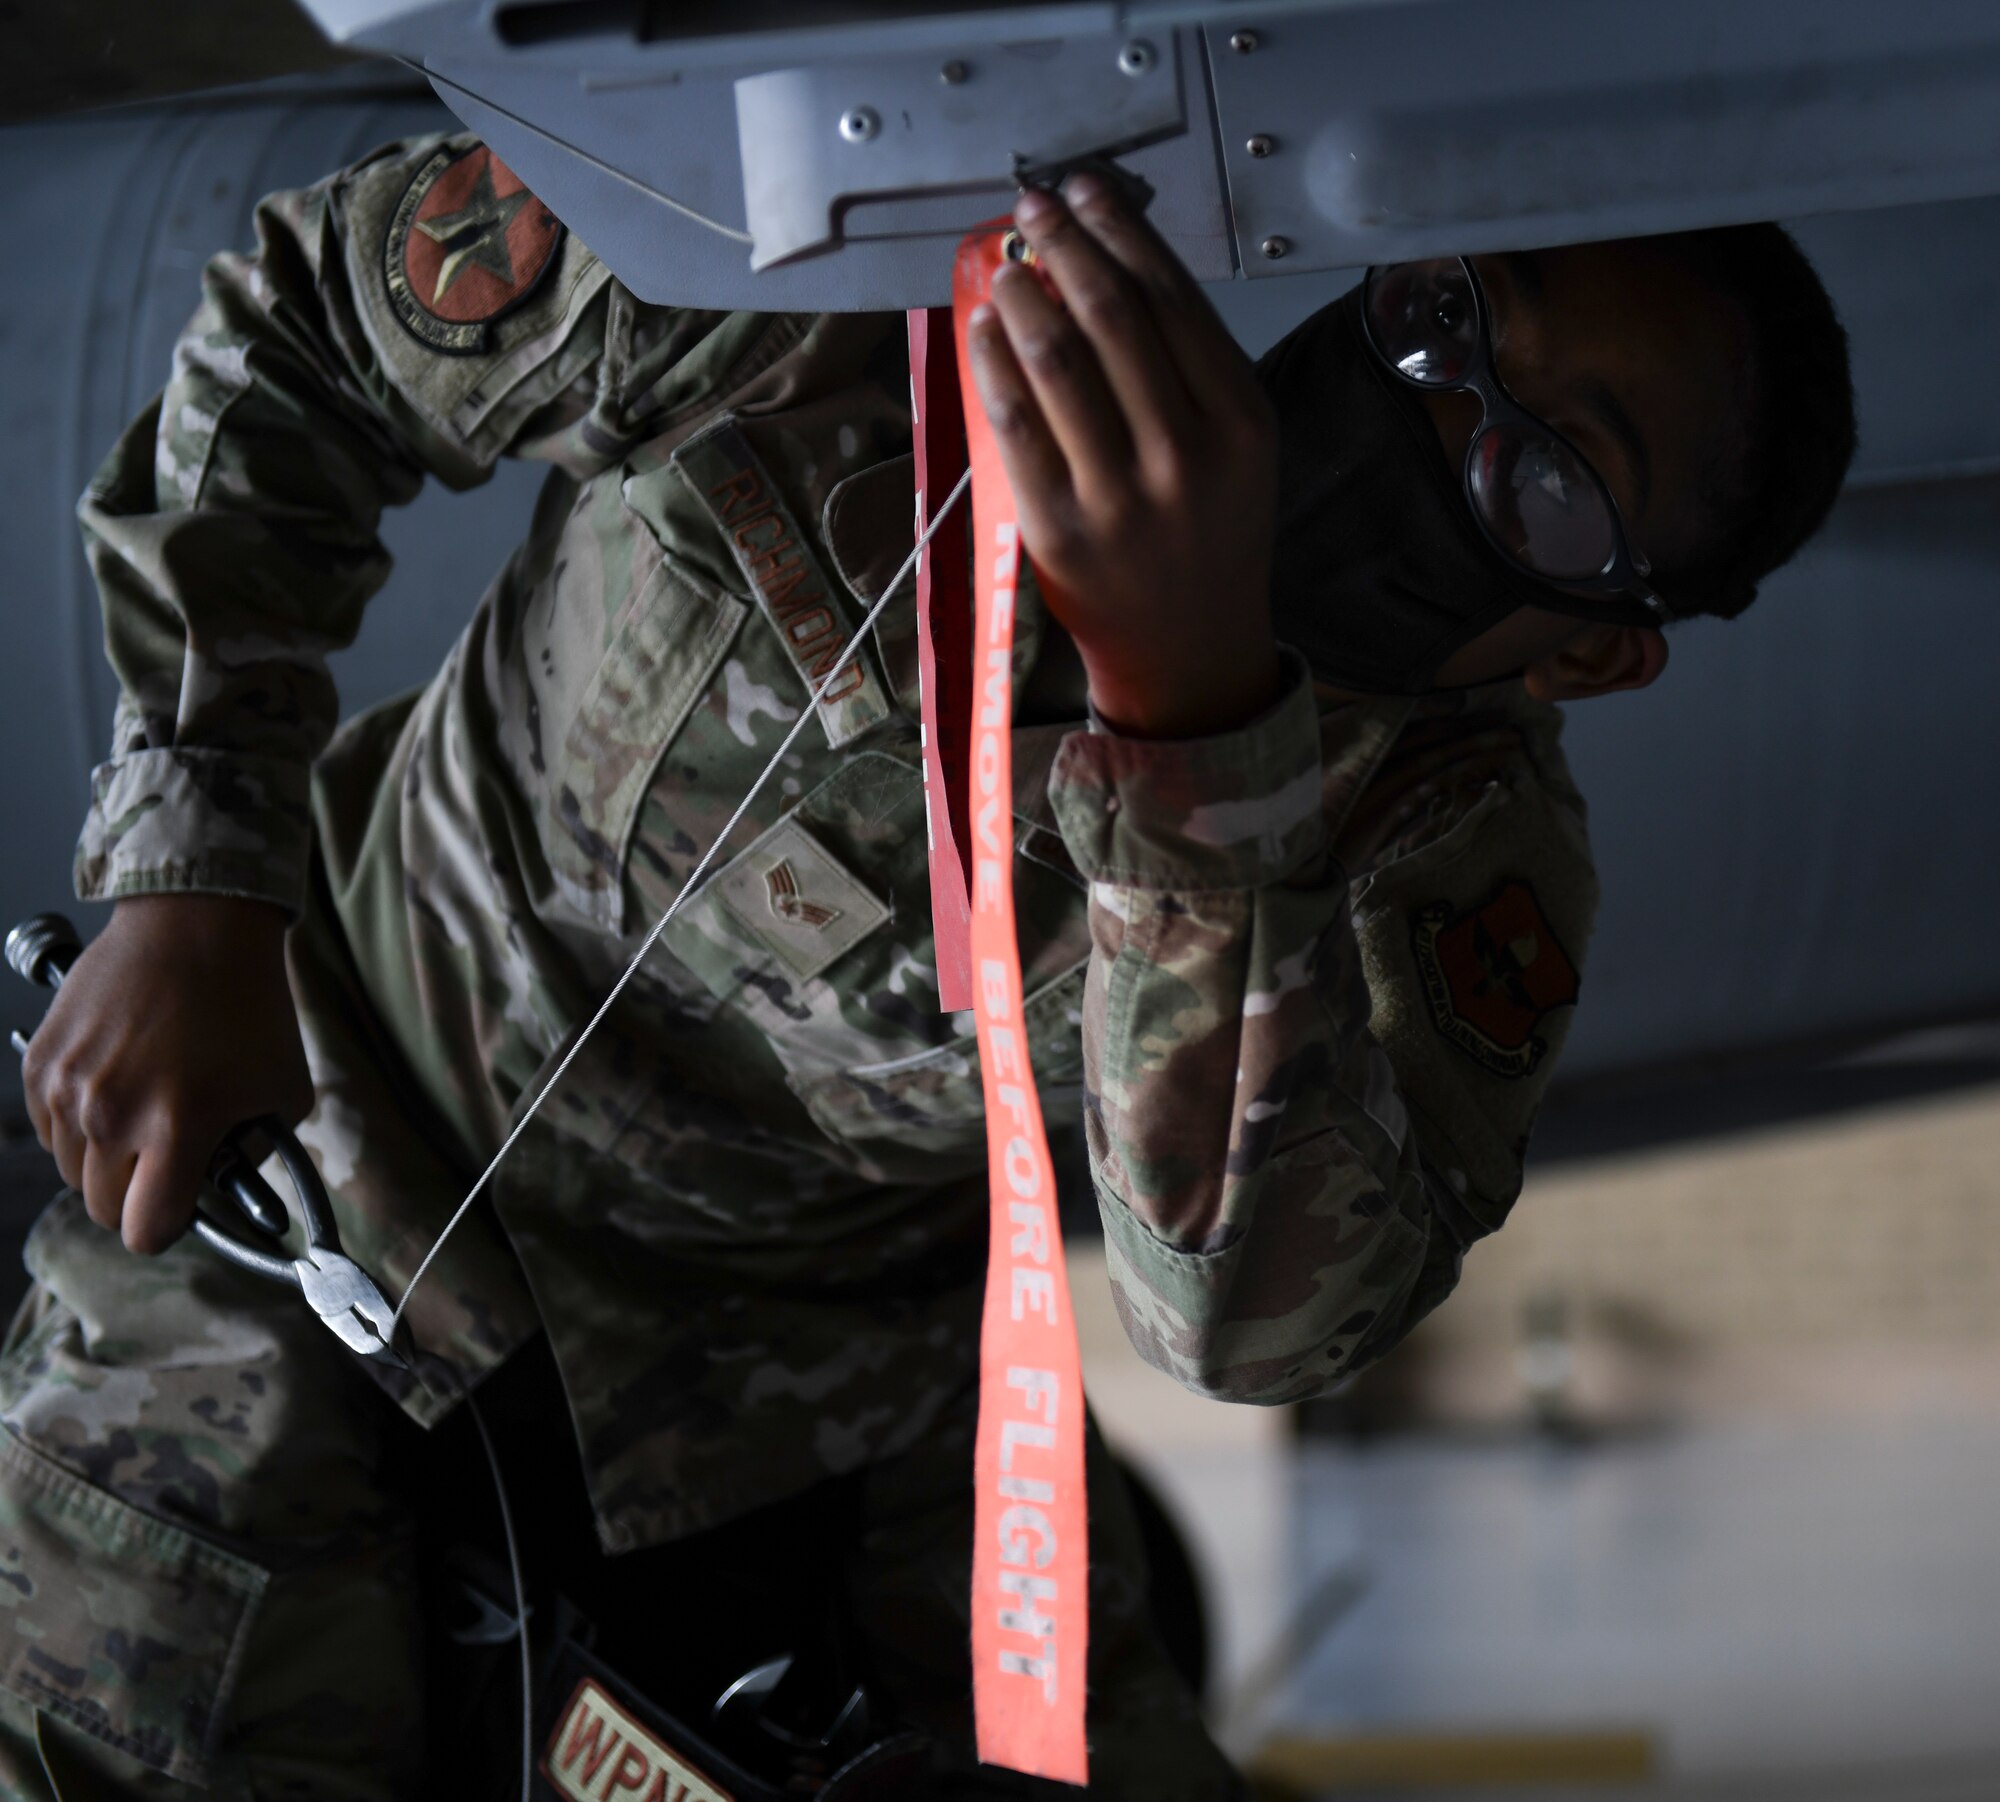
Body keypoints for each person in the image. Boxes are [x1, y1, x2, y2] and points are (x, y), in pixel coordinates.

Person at [5, 130, 1853, 1799]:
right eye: (1455, 318)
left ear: (1589, 653)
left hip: (802, 1372)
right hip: (306, 1136)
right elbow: (315, 321)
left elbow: (1260, 1319)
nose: (1438, 407)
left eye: (1543, 474)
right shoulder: (878, 304)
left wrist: (1203, 736)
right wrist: (190, 879)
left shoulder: (1447, 851)